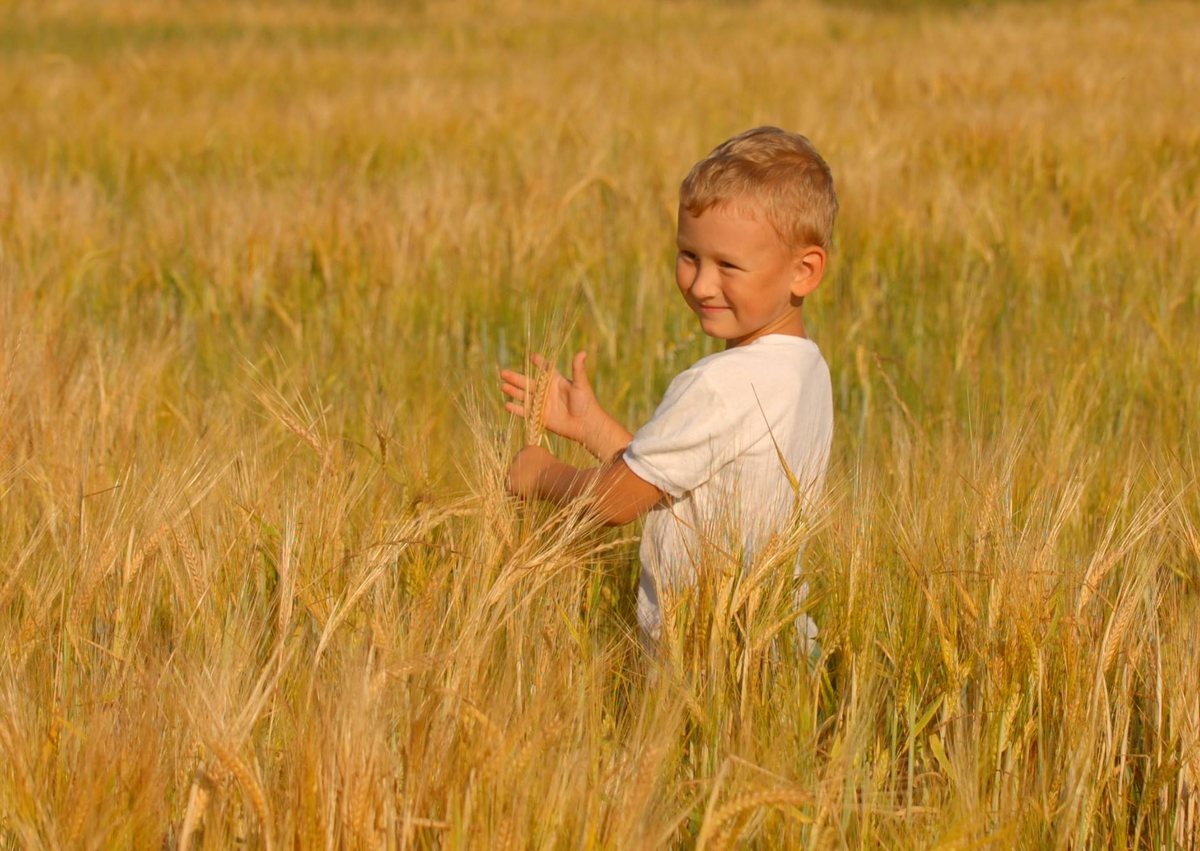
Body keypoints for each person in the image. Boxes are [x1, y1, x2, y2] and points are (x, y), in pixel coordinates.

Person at [500, 126, 835, 650]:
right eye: (689, 255)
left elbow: (616, 503)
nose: (701, 284)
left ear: (804, 271)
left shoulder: (722, 384)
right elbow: (687, 490)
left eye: (727, 265)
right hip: (777, 648)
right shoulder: (806, 372)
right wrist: (592, 427)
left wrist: (541, 474)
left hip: (707, 657)